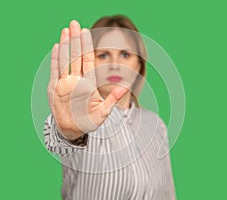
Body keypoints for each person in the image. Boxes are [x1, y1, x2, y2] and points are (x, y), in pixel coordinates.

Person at [44, 15, 176, 200]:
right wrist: (69, 131)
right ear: (90, 62)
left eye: (125, 54)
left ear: (139, 64)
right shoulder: (84, 124)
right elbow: (59, 141)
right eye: (103, 55)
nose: (115, 64)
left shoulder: (156, 125)